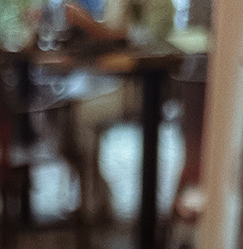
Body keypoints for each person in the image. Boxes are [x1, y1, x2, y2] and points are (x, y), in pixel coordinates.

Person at [62, 0, 176, 220]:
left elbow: (141, 42)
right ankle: (96, 196)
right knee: (60, 112)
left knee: (71, 114)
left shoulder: (158, 6)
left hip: (141, 86)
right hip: (112, 80)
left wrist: (88, 24)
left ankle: (95, 200)